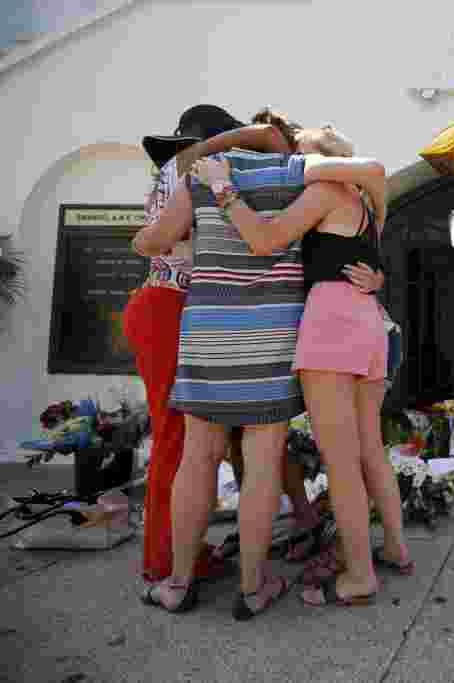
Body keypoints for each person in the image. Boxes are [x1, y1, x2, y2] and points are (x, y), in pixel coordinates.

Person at [133, 129, 389, 619]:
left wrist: (169, 238)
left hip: (209, 328)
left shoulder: (201, 176)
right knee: (263, 462)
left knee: (197, 458)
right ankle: (252, 588)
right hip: (272, 334)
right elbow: (366, 181)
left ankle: (178, 583)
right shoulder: (298, 173)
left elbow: (153, 241)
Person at [191, 124, 412, 609]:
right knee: (368, 448)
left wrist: (223, 188)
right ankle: (395, 547)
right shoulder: (366, 205)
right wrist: (378, 278)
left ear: (316, 158)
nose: (290, 167)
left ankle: (359, 575)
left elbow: (265, 240)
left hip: (332, 323)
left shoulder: (325, 190)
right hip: (368, 319)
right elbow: (359, 258)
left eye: (298, 156)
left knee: (340, 463)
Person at [125, 104, 278, 584]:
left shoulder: (185, 170)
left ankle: (179, 550)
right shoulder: (189, 172)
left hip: (170, 307)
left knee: (190, 439)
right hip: (170, 307)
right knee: (176, 437)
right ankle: (165, 561)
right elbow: (154, 240)